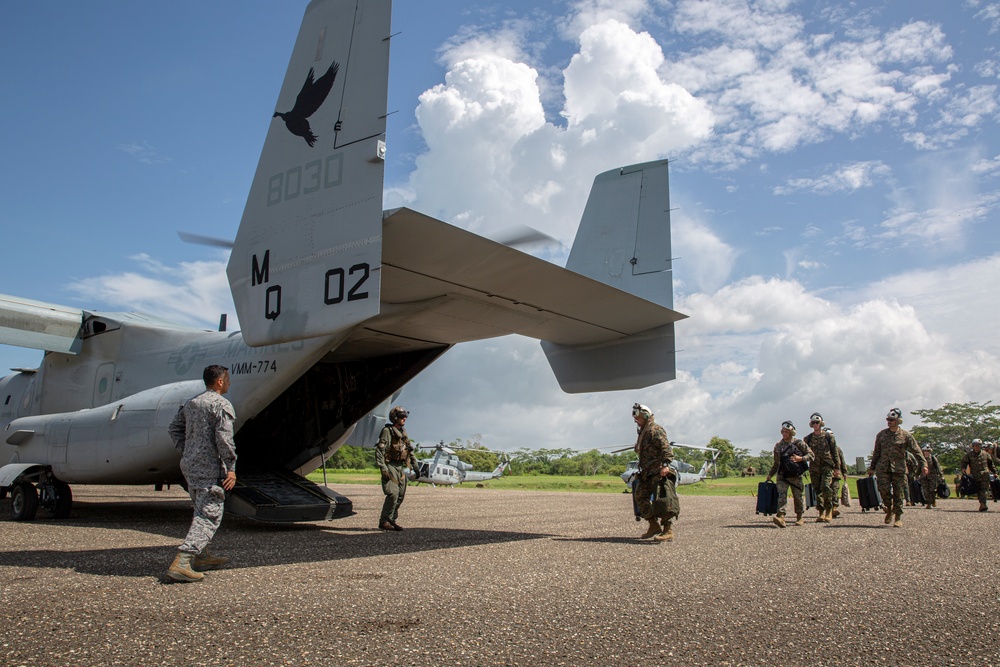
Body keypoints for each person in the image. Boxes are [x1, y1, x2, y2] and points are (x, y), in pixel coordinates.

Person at [166, 365, 237, 583]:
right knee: (209, 515)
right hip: (209, 468)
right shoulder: (221, 405)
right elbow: (224, 439)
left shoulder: (192, 403)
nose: (229, 383)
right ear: (220, 382)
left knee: (200, 508)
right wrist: (231, 467)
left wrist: (187, 450)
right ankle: (184, 561)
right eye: (228, 379)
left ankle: (202, 556)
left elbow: (174, 428)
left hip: (190, 465)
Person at [867, 407, 926, 527]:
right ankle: (889, 508)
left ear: (898, 420)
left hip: (899, 469)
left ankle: (898, 516)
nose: (889, 421)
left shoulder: (906, 436)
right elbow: (876, 453)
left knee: (899, 493)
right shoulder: (881, 435)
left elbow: (917, 451)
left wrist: (924, 464)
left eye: (892, 419)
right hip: (883, 468)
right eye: (888, 419)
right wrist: (872, 468)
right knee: (883, 490)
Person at [631, 403, 676, 542]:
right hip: (646, 472)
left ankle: (668, 530)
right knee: (640, 496)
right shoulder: (643, 432)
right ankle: (653, 525)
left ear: (645, 416)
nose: (635, 421)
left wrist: (665, 465)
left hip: (658, 471)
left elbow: (666, 449)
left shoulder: (655, 430)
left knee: (662, 500)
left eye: (638, 418)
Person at [375, 406, 419, 531]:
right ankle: (384, 521)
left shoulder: (403, 432)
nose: (404, 418)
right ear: (395, 418)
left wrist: (415, 466)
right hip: (391, 465)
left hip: (400, 467)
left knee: (400, 495)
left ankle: (391, 520)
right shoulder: (387, 431)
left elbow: (409, 450)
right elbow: (379, 451)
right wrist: (383, 468)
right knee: (393, 494)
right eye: (401, 416)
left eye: (405, 416)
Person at [766, 420, 813, 528]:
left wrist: (801, 458)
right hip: (782, 475)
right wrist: (770, 474)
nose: (784, 433)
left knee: (798, 497)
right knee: (781, 496)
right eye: (783, 431)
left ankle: (800, 516)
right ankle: (781, 516)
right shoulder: (778, 446)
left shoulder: (799, 443)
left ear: (791, 432)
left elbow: (811, 454)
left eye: (786, 431)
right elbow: (776, 462)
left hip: (796, 475)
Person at [803, 413, 838, 523]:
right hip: (814, 467)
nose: (815, 424)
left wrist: (837, 467)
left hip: (827, 466)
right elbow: (804, 453)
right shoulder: (808, 439)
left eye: (817, 422)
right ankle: (821, 512)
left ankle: (829, 510)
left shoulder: (829, 437)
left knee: (826, 487)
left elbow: (834, 452)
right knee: (817, 490)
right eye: (813, 422)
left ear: (821, 423)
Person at [959, 438, 997, 512]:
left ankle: (983, 504)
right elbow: (964, 462)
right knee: (978, 490)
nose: (977, 447)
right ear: (973, 446)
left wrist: (995, 472)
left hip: (985, 475)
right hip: (975, 476)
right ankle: (982, 503)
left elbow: (991, 465)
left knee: (984, 489)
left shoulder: (986, 454)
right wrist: (963, 468)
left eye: (979, 445)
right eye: (975, 445)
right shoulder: (969, 455)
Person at [827, 429, 848, 518]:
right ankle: (827, 509)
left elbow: (842, 461)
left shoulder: (837, 449)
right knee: (826, 492)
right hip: (826, 474)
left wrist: (844, 472)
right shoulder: (822, 449)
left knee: (834, 491)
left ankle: (834, 508)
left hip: (835, 474)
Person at [919, 444, 942, 509]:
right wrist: (916, 475)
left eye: (927, 451)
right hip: (924, 477)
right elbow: (919, 467)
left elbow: (938, 467)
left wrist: (941, 475)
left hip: (932, 476)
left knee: (932, 490)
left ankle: (933, 500)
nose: (926, 452)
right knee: (925, 490)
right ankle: (928, 503)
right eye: (925, 451)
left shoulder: (933, 458)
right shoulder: (921, 459)